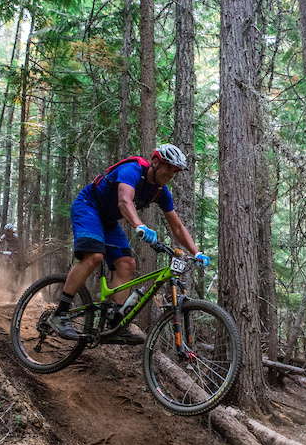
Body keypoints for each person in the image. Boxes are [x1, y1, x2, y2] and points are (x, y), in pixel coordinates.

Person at [45, 143, 210, 343]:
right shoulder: (132, 170)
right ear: (156, 162)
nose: (171, 174)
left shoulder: (160, 192)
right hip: (88, 206)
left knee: (127, 264)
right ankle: (60, 313)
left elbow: (177, 227)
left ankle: (116, 323)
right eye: (168, 167)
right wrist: (140, 226)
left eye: (175, 171)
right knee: (95, 256)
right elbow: (124, 200)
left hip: (108, 221)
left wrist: (196, 252)